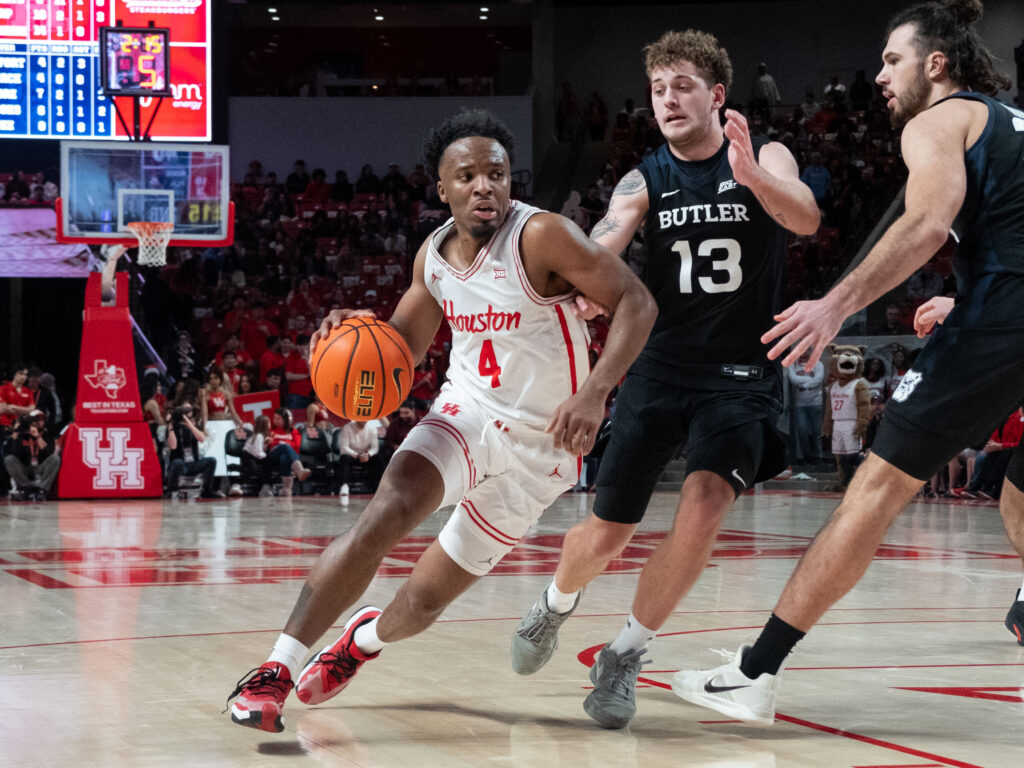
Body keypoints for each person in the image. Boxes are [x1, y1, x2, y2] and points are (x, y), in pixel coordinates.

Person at [225, 108, 655, 733]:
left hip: (543, 450)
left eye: (497, 173)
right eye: (469, 175)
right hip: (469, 413)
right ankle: (275, 670)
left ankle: (360, 641)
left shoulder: (542, 236)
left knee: (423, 603)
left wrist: (594, 392)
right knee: (388, 510)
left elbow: (637, 302)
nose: (486, 186)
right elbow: (395, 351)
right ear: (442, 187)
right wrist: (350, 331)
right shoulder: (434, 256)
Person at [671, 0, 1024, 724]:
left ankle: (754, 674)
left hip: (1008, 312)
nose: (880, 75)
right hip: (1007, 308)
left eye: (893, 60)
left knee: (875, 490)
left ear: (936, 64)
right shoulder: (1013, 122)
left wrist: (834, 305)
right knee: (1021, 490)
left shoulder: (940, 119)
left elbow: (926, 221)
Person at [508, 29, 819, 729]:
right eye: (657, 90)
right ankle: (555, 604)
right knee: (608, 535)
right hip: (659, 367)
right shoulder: (644, 176)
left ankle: (624, 652)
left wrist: (754, 175)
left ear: (716, 95)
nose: (668, 101)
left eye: (681, 86)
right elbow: (609, 238)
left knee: (705, 505)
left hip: (741, 375)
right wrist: (587, 284)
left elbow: (804, 217)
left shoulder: (764, 154)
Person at [165, 402, 223, 499]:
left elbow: (202, 439)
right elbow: (173, 446)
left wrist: (190, 425)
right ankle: (170, 490)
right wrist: (170, 427)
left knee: (211, 460)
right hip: (180, 464)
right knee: (177, 462)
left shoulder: (193, 428)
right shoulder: (173, 429)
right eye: (186, 416)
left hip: (193, 464)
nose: (189, 418)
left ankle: (207, 490)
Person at [4, 411, 60, 501]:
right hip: (25, 466)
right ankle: (24, 487)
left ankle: (42, 489)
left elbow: (49, 452)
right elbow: (13, 453)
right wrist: (16, 433)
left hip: (40, 466)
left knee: (55, 458)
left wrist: (37, 437)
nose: (38, 422)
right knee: (9, 459)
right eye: (36, 419)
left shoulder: (47, 435)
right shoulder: (22, 435)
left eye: (41, 420)